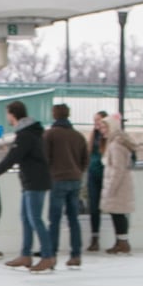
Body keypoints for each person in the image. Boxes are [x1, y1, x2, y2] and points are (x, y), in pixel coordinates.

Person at [0, 100, 54, 273]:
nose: (7, 117)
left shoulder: (25, 135)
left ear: (12, 114)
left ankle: (48, 256)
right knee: (26, 218)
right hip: (30, 181)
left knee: (35, 219)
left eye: (7, 113)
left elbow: (10, 160)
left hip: (35, 182)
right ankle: (26, 254)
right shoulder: (28, 133)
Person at [44, 104, 90, 269]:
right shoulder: (78, 136)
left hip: (57, 180)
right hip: (75, 180)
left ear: (54, 115)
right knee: (73, 219)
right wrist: (78, 172)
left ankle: (51, 255)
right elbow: (86, 159)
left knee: (54, 220)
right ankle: (76, 254)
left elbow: (45, 158)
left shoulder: (50, 135)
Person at [101, 114, 138, 255]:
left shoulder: (116, 145)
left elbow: (118, 168)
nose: (102, 130)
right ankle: (120, 241)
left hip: (119, 186)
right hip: (122, 185)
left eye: (105, 127)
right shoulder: (117, 142)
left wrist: (111, 188)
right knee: (117, 214)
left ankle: (123, 242)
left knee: (118, 214)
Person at [86, 111, 110, 252]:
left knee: (111, 206)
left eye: (98, 120)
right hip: (93, 173)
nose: (96, 123)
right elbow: (89, 152)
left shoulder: (108, 136)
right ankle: (95, 237)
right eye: (94, 120)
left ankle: (121, 239)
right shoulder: (93, 136)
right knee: (93, 206)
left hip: (105, 174)